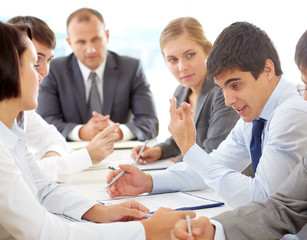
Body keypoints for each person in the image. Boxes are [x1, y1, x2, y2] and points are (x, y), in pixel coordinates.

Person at [171, 9, 307, 240]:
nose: (306, 97)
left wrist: (189, 148)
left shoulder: (294, 112)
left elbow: (261, 196)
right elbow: (284, 206)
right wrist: (216, 230)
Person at [0, 21, 194, 240]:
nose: (41, 74)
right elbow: (47, 233)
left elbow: (43, 188)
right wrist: (145, 231)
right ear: (9, 68)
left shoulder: (12, 131)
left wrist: (100, 211)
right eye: (34, 63)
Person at [7, 16, 119, 182]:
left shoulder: (22, 108)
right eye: (36, 60)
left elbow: (53, 138)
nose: (45, 70)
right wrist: (88, 155)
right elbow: (20, 174)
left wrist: (53, 158)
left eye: (49, 60)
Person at [36, 8, 158, 141]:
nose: (90, 49)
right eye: (81, 42)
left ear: (107, 36)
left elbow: (150, 122)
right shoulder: (54, 70)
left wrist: (118, 132)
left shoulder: (131, 68)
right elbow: (44, 125)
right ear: (70, 43)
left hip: (119, 153)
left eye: (96, 39)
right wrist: (81, 132)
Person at [131, 17, 239, 164]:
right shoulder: (182, 91)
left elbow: (214, 152)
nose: (182, 67)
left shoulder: (222, 91)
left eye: (190, 55)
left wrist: (182, 161)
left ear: (208, 50)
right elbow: (182, 140)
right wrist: (159, 150)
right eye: (173, 60)